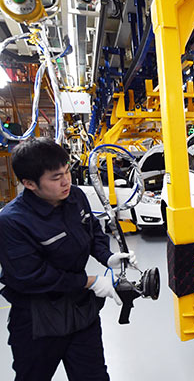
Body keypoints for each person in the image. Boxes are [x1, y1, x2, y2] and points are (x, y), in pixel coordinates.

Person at [0, 137, 136, 380]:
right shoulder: (12, 221)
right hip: (38, 319)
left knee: (93, 376)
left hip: (80, 310)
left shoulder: (74, 196)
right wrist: (90, 281)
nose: (66, 181)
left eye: (67, 172)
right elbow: (32, 276)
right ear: (29, 184)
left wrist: (108, 256)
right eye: (56, 177)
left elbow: (92, 229)